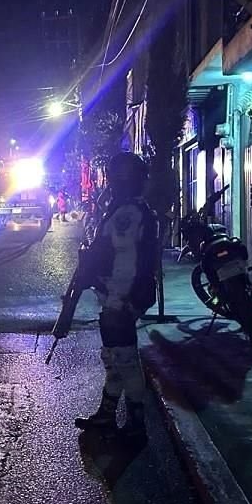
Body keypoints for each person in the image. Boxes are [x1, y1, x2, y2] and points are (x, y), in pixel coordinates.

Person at [74, 152, 158, 440]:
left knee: (125, 360)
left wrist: (118, 302)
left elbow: (125, 261)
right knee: (113, 358)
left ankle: (136, 423)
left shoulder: (127, 214)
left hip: (121, 297)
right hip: (116, 295)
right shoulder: (126, 210)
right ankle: (107, 414)